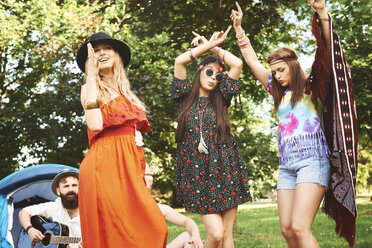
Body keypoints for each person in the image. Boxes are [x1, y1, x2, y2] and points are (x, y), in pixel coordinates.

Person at [231, 0, 358, 247]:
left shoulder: (313, 88)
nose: (276, 76)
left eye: (280, 70)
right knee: (288, 230)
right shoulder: (278, 93)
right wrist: (239, 29)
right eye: (274, 72)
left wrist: (321, 12)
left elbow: (328, 52)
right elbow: (252, 61)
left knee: (300, 227)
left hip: (313, 162)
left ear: (292, 65)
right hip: (287, 165)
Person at [76, 32, 168, 248]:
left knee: (154, 226)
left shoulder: (128, 94)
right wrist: (91, 76)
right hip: (103, 166)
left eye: (107, 48)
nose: (102, 53)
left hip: (130, 164)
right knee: (115, 232)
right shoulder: (88, 88)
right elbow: (96, 125)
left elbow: (136, 135)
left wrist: (144, 168)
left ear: (116, 55)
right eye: (96, 51)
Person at [170, 26, 251, 248]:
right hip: (196, 173)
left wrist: (216, 49)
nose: (214, 78)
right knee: (215, 234)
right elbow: (179, 61)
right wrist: (209, 45)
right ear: (199, 70)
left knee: (226, 235)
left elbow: (238, 64)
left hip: (226, 168)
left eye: (218, 75)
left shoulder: (222, 97)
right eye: (209, 72)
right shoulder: (183, 96)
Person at [19, 169, 81, 248]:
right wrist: (30, 229)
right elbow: (23, 212)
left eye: (74, 185)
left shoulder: (91, 211)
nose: (71, 189)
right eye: (66, 186)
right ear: (58, 191)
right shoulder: (54, 207)